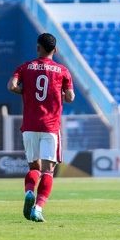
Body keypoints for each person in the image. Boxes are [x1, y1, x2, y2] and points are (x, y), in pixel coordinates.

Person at [8, 33, 75, 222]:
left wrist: (25, 91)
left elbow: (11, 86)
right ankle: (37, 208)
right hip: (50, 126)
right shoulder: (62, 71)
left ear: (38, 48)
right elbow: (70, 97)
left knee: (33, 167)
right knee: (48, 170)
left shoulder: (24, 67)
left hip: (30, 125)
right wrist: (59, 94)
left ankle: (29, 191)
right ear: (56, 50)